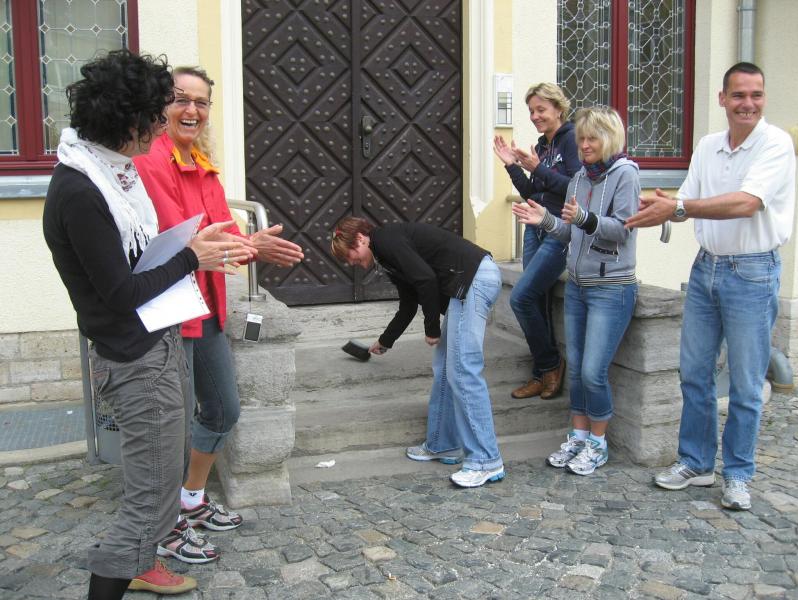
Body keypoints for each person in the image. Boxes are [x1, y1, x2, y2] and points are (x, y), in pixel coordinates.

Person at [42, 50, 256, 599]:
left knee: (160, 489)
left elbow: (135, 261)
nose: (163, 125)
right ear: (126, 117)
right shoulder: (82, 190)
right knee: (149, 502)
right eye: (157, 115)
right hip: (134, 358)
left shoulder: (109, 174)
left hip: (153, 343)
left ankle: (143, 559)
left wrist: (196, 246)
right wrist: (191, 257)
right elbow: (120, 294)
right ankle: (119, 576)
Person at [134, 66, 304, 561]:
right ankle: (162, 524)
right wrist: (246, 245)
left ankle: (191, 497)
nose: (192, 110)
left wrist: (253, 246)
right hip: (167, 312)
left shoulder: (203, 163)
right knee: (169, 425)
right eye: (180, 99)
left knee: (224, 408)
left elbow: (222, 234)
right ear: (160, 106)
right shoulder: (151, 160)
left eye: (201, 102)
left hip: (206, 308)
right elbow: (184, 240)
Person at [627, 63, 796, 510]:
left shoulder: (776, 143)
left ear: (763, 98)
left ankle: (737, 475)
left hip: (753, 273)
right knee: (694, 373)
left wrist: (677, 208)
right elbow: (685, 199)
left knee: (745, 383)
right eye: (738, 95)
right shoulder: (707, 146)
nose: (748, 104)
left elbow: (746, 203)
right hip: (706, 269)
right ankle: (696, 463)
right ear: (722, 99)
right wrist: (657, 207)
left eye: (756, 95)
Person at [330, 218, 504, 488]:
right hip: (467, 284)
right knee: (445, 369)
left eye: (349, 255)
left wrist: (432, 328)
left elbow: (426, 279)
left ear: (361, 240)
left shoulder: (386, 240)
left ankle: (486, 460)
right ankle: (443, 444)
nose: (350, 262)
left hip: (474, 280)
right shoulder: (386, 255)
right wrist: (385, 341)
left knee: (463, 370)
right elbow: (409, 303)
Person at [512, 106, 639, 475]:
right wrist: (546, 220)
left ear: (610, 139)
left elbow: (623, 229)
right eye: (581, 138)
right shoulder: (580, 178)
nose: (584, 145)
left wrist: (584, 218)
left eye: (592, 138)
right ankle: (579, 437)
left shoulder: (626, 174)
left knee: (593, 371)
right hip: (579, 287)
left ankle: (598, 444)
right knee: (579, 371)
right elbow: (571, 232)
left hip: (611, 289)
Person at [493, 82, 581, 400]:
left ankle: (550, 365)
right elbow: (533, 192)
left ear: (559, 108)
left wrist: (538, 168)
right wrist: (512, 166)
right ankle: (541, 374)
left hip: (558, 231)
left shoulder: (572, 139)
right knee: (537, 300)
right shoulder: (543, 145)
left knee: (521, 298)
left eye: (541, 109)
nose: (534, 116)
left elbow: (576, 188)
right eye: (531, 111)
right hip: (535, 228)